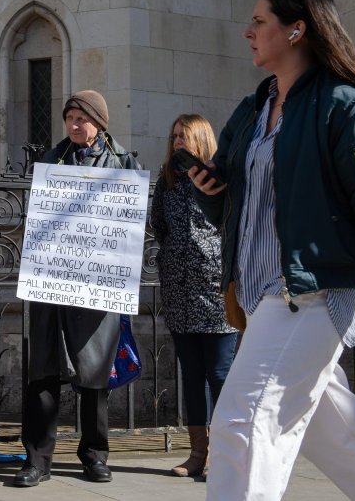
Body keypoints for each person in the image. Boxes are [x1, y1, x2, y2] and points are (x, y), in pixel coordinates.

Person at [191, 0, 355, 500]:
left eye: (259, 21)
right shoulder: (255, 110)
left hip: (308, 294)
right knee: (344, 436)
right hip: (261, 297)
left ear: (296, 30)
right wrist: (212, 187)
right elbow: (239, 198)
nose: (247, 31)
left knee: (243, 424)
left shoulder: (343, 107)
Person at [13, 90, 141, 487]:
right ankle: (37, 459)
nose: (73, 124)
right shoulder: (51, 161)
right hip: (53, 280)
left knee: (94, 373)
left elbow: (132, 220)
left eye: (80, 118)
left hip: (96, 285)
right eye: (69, 117)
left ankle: (95, 455)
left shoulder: (123, 162)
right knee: (44, 371)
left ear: (99, 123)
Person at [149, 114, 238, 479]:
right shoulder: (166, 180)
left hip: (216, 289)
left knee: (220, 373)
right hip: (179, 289)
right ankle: (198, 453)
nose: (177, 143)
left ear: (201, 139)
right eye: (174, 137)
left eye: (184, 137)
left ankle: (226, 453)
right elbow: (159, 224)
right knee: (192, 374)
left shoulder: (222, 177)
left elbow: (235, 222)